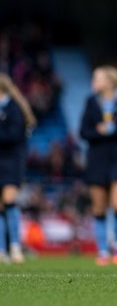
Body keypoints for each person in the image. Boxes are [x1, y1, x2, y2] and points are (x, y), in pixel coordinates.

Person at [79, 65, 117, 266]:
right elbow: (83, 131)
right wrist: (99, 131)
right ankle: (103, 250)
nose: (93, 82)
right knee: (99, 207)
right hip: (97, 159)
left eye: (97, 78)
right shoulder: (91, 102)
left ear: (109, 82)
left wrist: (114, 130)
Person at [0, 73, 35, 264]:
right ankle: (1, 249)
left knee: (9, 200)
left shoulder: (15, 109)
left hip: (11, 162)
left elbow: (13, 136)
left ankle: (15, 245)